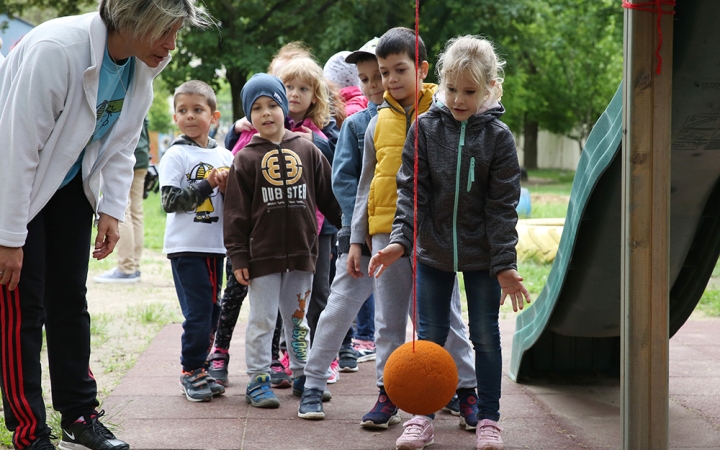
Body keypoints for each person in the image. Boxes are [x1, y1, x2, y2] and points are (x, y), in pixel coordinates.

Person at [0, 1, 210, 448]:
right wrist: (9, 236)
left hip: (67, 187)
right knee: (22, 308)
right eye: (164, 32)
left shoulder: (140, 70)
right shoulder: (57, 51)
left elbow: (119, 144)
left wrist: (111, 209)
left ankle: (78, 416)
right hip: (14, 186)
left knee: (69, 301)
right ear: (131, 20)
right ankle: (29, 432)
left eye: (176, 33)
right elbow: (15, 149)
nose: (171, 45)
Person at [369, 35, 532, 450]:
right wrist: (401, 241)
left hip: (482, 257)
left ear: (491, 88)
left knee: (485, 336)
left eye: (471, 91)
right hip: (433, 253)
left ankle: (490, 419)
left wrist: (504, 265)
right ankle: (420, 418)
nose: (459, 99)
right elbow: (412, 194)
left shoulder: (498, 138)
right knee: (428, 338)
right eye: (453, 89)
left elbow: (502, 209)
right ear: (441, 84)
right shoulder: (425, 128)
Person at [349, 28, 478, 448]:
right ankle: (389, 393)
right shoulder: (374, 124)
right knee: (387, 320)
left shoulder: (445, 117)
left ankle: (465, 390)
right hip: (386, 234)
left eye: (400, 69)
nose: (390, 79)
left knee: (446, 317)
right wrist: (357, 238)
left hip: (435, 235)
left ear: (422, 69)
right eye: (383, 72)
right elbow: (365, 186)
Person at [223, 73, 342, 409]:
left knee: (296, 319)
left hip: (303, 254)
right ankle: (258, 379)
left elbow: (329, 197)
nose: (266, 113)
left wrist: (347, 231)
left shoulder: (306, 148)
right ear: (249, 115)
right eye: (257, 108)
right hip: (262, 257)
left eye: (272, 104)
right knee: (263, 320)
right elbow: (235, 215)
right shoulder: (245, 159)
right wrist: (239, 258)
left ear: (283, 107)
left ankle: (303, 374)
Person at [297, 36, 385, 421]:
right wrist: (355, 235)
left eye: (379, 75)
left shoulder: (425, 122)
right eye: (364, 79)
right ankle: (313, 383)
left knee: (435, 317)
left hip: (415, 239)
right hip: (364, 239)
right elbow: (345, 184)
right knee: (337, 309)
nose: (372, 86)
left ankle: (455, 388)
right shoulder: (357, 125)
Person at [159, 80, 231, 403]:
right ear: (175, 117)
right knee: (199, 310)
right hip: (186, 248)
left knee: (213, 311)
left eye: (197, 110)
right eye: (183, 110)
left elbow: (235, 203)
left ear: (213, 117)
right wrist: (206, 184)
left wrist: (228, 187)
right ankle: (190, 370)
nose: (189, 116)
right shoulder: (174, 156)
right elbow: (170, 201)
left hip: (215, 247)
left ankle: (201, 367)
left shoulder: (225, 154)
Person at [95, 117, 150, 283]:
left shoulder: (119, 93)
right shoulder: (139, 93)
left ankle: (126, 268)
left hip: (125, 158)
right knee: (136, 212)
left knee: (122, 210)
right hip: (142, 158)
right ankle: (134, 265)